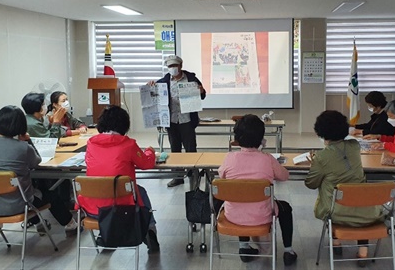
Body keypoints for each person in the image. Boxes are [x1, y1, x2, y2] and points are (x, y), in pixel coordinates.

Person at [0, 106, 79, 235]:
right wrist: (28, 140)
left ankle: (39, 222)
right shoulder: (22, 147)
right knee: (50, 194)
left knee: (29, 189)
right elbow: (37, 161)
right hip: (17, 204)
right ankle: (70, 225)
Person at [305, 110, 384, 267]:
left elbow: (311, 183)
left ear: (320, 132)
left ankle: (336, 244)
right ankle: (363, 253)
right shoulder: (355, 146)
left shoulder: (322, 156)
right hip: (368, 211)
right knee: (358, 197)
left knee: (332, 194)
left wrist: (314, 164)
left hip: (336, 212)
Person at [218, 114, 297, 266]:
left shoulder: (229, 158)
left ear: (237, 137)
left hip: (233, 216)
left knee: (240, 195)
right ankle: (288, 251)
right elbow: (284, 176)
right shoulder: (267, 159)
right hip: (262, 215)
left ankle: (244, 247)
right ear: (261, 138)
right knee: (285, 208)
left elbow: (222, 176)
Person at [78, 105, 160, 252]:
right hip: (123, 209)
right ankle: (150, 229)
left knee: (130, 190)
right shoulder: (128, 144)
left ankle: (107, 233)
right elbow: (146, 164)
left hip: (91, 208)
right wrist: (150, 151)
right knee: (140, 192)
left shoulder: (91, 143)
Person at [148, 55, 206, 187]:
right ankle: (178, 176)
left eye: (175, 65)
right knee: (175, 149)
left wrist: (201, 91)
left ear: (181, 66)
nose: (173, 68)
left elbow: (202, 95)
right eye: (170, 66)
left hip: (187, 119)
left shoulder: (191, 79)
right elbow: (153, 96)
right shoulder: (163, 81)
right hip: (171, 120)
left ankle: (193, 173)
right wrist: (150, 87)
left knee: (190, 148)